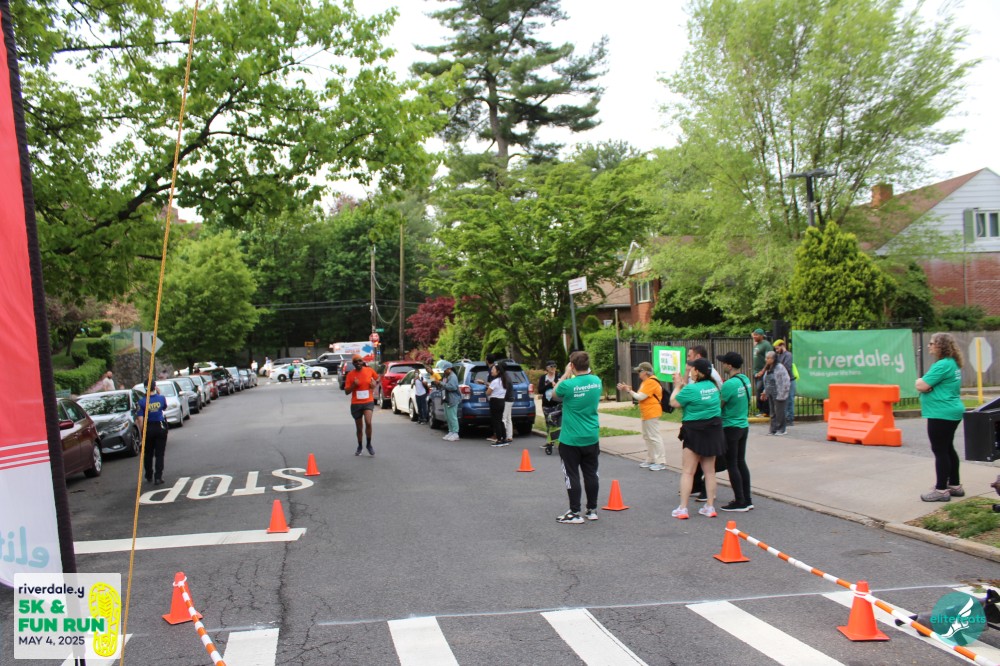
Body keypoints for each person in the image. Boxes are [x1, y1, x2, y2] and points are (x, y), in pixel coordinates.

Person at [670, 358, 726, 519]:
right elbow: (696, 396)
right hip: (713, 430)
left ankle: (683, 508)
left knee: (688, 471)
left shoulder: (691, 389)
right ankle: (710, 506)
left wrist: (677, 386)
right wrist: (683, 387)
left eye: (692, 369)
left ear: (697, 371)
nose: (690, 372)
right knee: (710, 471)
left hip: (694, 430)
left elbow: (674, 402)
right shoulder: (714, 387)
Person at [553, 350, 602, 524]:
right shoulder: (597, 381)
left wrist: (565, 374)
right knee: (591, 474)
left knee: (571, 475)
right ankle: (592, 509)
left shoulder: (568, 385)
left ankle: (574, 512)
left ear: (572, 365)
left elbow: (554, 394)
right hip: (591, 436)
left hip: (571, 439)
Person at [916, 332, 966, 502]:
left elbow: (921, 385)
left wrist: (921, 383)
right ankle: (955, 485)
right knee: (948, 448)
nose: (929, 346)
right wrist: (926, 385)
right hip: (951, 411)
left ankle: (941, 490)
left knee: (940, 450)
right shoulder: (952, 363)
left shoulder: (942, 364)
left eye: (932, 343)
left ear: (940, 346)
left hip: (941, 412)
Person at [716, 352, 753, 512]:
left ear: (729, 365)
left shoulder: (729, 385)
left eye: (724, 363)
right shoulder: (745, 380)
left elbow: (719, 406)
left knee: (732, 464)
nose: (722, 365)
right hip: (743, 425)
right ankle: (747, 499)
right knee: (740, 462)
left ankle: (739, 501)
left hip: (730, 426)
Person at [687, 345, 722, 501]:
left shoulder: (710, 377)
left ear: (698, 357)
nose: (688, 359)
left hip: (704, 424)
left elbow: (676, 401)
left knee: (704, 465)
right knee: (703, 464)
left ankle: (705, 493)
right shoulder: (700, 376)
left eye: (690, 355)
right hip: (703, 422)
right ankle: (698, 488)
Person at [617, 361, 664, 471]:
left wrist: (629, 390)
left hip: (652, 412)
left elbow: (640, 397)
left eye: (639, 371)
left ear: (645, 372)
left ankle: (660, 461)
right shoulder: (646, 382)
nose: (638, 373)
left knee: (654, 437)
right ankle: (651, 459)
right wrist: (629, 389)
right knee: (648, 437)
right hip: (647, 412)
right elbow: (641, 395)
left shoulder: (650, 382)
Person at [343, 354, 379, 456]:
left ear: (362, 362)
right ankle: (360, 446)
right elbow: (346, 392)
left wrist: (374, 384)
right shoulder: (350, 375)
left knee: (368, 422)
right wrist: (354, 385)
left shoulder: (369, 370)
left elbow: (377, 379)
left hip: (368, 401)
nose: (358, 363)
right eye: (356, 362)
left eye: (359, 361)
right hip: (356, 403)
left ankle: (369, 444)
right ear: (353, 364)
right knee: (359, 428)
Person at [136, 381, 168, 485]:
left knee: (148, 453)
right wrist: (158, 393)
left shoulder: (141, 402)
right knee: (159, 454)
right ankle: (158, 477)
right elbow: (164, 407)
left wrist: (142, 433)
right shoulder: (161, 398)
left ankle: (149, 474)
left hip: (148, 427)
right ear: (155, 387)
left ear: (145, 388)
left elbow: (140, 419)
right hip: (160, 427)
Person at [761, 351, 790, 436]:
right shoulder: (768, 368)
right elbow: (767, 381)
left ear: (773, 359)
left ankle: (781, 429)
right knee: (772, 412)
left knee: (779, 412)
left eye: (768, 358)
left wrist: (783, 392)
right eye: (766, 358)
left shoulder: (780, 367)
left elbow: (786, 380)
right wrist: (765, 391)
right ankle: (773, 429)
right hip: (771, 393)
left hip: (779, 393)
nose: (766, 359)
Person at [538, 361, 560, 450]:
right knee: (549, 423)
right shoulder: (543, 378)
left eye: (555, 366)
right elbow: (540, 390)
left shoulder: (559, 376)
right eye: (551, 366)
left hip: (557, 404)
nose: (553, 368)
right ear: (547, 368)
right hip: (546, 404)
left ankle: (558, 442)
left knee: (557, 423)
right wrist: (549, 385)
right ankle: (549, 442)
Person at [436, 361, 461, 441]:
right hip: (447, 399)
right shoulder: (447, 376)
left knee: (452, 417)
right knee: (448, 416)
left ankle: (455, 433)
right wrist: (440, 384)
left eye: (445, 370)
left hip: (452, 399)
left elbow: (453, 387)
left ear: (449, 369)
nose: (444, 371)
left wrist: (441, 383)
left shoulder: (453, 377)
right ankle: (451, 431)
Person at [751, 329, 773, 417]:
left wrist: (763, 371)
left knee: (761, 390)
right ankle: (761, 410)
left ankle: (765, 410)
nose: (754, 336)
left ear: (761, 335)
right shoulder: (757, 344)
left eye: (756, 335)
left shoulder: (766, 345)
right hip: (756, 372)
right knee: (758, 391)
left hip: (762, 372)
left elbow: (769, 360)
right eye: (754, 335)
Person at [773, 339, 795, 426]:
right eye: (775, 349)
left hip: (790, 380)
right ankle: (784, 418)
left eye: (777, 348)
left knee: (789, 400)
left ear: (782, 346)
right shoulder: (779, 356)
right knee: (784, 400)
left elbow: (787, 367)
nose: (776, 350)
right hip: (782, 381)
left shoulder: (788, 355)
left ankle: (790, 419)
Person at [486, 364, 509, 446]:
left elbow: (488, 392)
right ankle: (504, 438)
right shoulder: (503, 380)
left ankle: (499, 440)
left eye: (493, 369)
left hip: (495, 401)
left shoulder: (495, 381)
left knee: (496, 421)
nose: (491, 371)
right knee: (500, 420)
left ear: (498, 371)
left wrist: (488, 388)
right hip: (502, 401)